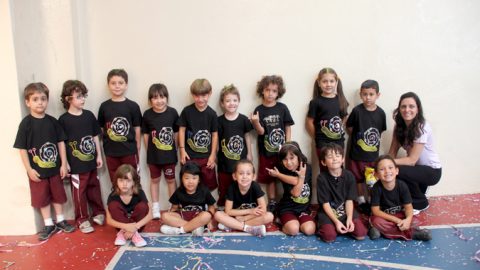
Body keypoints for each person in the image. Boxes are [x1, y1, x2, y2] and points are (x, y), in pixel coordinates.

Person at [14, 82, 75, 240]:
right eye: (35, 99)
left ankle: (61, 220)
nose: (40, 102)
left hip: (55, 169)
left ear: (47, 101)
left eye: (43, 98)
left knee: (57, 195)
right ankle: (48, 224)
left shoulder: (53, 121)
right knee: (42, 198)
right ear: (27, 102)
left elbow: (61, 142)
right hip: (37, 172)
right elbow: (22, 149)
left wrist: (63, 163)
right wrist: (29, 169)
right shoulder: (26, 124)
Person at [59, 80, 105, 233]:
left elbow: (95, 136)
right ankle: (82, 218)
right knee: (80, 191)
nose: (83, 99)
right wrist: (65, 163)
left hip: (91, 161)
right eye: (78, 96)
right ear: (68, 99)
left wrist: (99, 155)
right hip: (76, 164)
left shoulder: (89, 115)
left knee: (94, 187)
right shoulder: (64, 120)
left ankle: (99, 213)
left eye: (83, 95)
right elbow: (62, 144)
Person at [388, 92, 441, 213]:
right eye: (403, 106)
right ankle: (420, 189)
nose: (407, 110)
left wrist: (387, 163)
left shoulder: (421, 127)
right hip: (417, 170)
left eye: (411, 106)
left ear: (418, 109)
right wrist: (384, 165)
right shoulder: (399, 127)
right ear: (399, 109)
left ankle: (420, 203)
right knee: (389, 169)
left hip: (432, 171)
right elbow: (392, 152)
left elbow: (411, 160)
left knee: (396, 170)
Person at [251, 75, 294, 212]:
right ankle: (272, 201)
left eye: (274, 91)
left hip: (282, 152)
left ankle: (290, 198)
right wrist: (256, 122)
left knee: (287, 174)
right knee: (271, 177)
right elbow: (261, 132)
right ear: (262, 91)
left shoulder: (282, 108)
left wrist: (288, 145)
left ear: (278, 92)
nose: (270, 93)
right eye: (267, 90)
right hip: (266, 151)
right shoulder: (259, 109)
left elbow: (287, 127)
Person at [369, 155, 432, 241]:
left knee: (415, 220)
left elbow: (409, 207)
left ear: (397, 171)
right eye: (382, 169)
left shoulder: (402, 186)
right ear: (376, 175)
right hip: (385, 217)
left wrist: (408, 220)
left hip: (400, 215)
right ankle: (412, 234)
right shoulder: (376, 188)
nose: (387, 171)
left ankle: (384, 231)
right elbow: (375, 211)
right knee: (376, 221)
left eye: (390, 168)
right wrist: (396, 220)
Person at [346, 80, 386, 213]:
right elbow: (350, 127)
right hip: (356, 155)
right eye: (364, 94)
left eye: (371, 94)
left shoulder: (381, 113)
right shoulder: (356, 111)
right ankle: (361, 199)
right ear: (360, 94)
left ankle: (371, 199)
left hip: (372, 157)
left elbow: (380, 132)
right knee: (358, 179)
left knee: (371, 180)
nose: (368, 97)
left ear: (378, 95)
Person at [98, 69, 142, 184]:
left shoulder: (133, 106)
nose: (117, 86)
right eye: (113, 83)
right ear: (108, 85)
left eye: (120, 83)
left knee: (132, 180)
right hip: (111, 152)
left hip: (129, 151)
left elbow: (137, 128)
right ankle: (117, 201)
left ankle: (135, 201)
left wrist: (137, 147)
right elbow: (101, 129)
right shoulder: (104, 106)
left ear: (126, 85)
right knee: (115, 181)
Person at [141, 83, 179, 219]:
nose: (159, 101)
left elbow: (176, 133)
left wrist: (174, 149)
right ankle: (155, 206)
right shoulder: (147, 114)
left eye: (162, 97)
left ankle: (174, 206)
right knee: (154, 180)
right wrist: (150, 151)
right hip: (154, 157)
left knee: (171, 180)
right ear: (150, 100)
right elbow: (146, 136)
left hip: (169, 155)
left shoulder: (173, 112)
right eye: (155, 98)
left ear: (167, 98)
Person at [316, 143, 367, 243]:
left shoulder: (349, 176)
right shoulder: (321, 178)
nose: (334, 159)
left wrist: (349, 218)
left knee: (361, 234)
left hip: (345, 212)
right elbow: (325, 204)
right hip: (329, 213)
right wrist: (336, 222)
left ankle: (343, 226)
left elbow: (349, 200)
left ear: (343, 159)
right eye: (330, 156)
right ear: (323, 162)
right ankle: (330, 226)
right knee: (329, 237)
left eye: (338, 155)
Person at [267, 142, 316, 236]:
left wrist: (278, 175)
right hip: (288, 208)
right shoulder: (284, 171)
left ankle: (295, 221)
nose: (288, 163)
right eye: (285, 159)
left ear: (299, 156)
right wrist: (301, 177)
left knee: (309, 230)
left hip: (303, 209)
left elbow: (295, 180)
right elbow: (296, 193)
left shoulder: (306, 167)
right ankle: (282, 221)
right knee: (293, 230)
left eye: (292, 158)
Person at [177, 79, 218, 191]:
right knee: (190, 183)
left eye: (204, 95)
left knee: (208, 183)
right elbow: (181, 130)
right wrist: (182, 150)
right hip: (190, 156)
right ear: (192, 95)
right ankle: (191, 206)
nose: (200, 99)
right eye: (196, 96)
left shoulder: (212, 114)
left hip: (206, 157)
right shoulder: (186, 111)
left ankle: (207, 205)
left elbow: (215, 135)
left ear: (209, 94)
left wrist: (213, 155)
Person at [217, 84, 253, 208]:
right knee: (224, 186)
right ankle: (222, 208)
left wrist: (249, 153)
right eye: (227, 101)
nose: (231, 103)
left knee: (240, 186)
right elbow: (217, 140)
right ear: (222, 103)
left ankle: (239, 207)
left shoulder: (243, 120)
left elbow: (247, 136)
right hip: (224, 162)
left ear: (239, 101)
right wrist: (215, 154)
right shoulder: (219, 121)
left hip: (241, 162)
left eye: (234, 100)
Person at [214, 160, 273, 237]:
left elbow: (263, 209)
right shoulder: (231, 188)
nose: (244, 176)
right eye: (241, 173)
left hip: (251, 217)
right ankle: (248, 228)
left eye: (248, 174)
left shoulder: (255, 187)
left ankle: (233, 226)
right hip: (236, 217)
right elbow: (228, 211)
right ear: (234, 176)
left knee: (269, 216)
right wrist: (250, 211)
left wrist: (245, 218)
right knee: (218, 214)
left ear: (253, 177)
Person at [306, 68, 349, 170]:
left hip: (339, 142)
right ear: (319, 83)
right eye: (325, 81)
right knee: (325, 169)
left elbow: (344, 117)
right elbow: (309, 122)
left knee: (339, 169)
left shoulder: (341, 100)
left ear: (336, 82)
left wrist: (338, 129)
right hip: (322, 143)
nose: (328, 84)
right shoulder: (315, 102)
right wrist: (317, 136)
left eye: (331, 81)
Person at [160, 162, 216, 236]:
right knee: (164, 216)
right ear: (182, 179)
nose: (190, 182)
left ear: (199, 180)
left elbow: (211, 207)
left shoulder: (204, 190)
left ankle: (180, 230)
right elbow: (174, 209)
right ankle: (194, 228)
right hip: (183, 217)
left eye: (194, 178)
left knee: (207, 215)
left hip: (199, 217)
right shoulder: (179, 191)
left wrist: (210, 221)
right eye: (187, 178)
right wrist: (170, 220)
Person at [106, 164, 151, 247]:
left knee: (143, 206)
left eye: (128, 181)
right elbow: (109, 220)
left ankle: (133, 234)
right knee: (113, 206)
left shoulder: (139, 193)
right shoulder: (112, 196)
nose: (124, 184)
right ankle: (125, 233)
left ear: (133, 182)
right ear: (116, 182)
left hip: (138, 226)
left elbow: (150, 214)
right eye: (121, 180)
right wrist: (126, 226)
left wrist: (135, 227)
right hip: (121, 226)